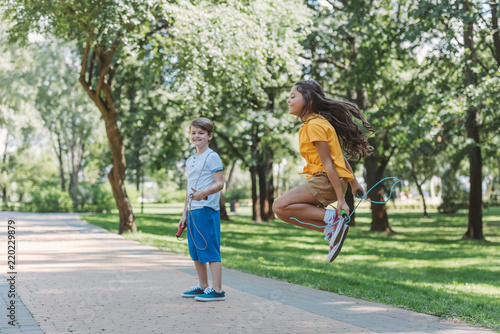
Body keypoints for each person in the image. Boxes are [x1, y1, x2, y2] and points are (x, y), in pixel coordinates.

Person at [273, 80, 373, 262]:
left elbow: (329, 164)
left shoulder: (314, 126)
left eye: (293, 96)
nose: (288, 100)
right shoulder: (317, 123)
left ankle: (333, 219)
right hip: (328, 180)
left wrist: (341, 201)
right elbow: (339, 157)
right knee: (283, 212)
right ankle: (330, 229)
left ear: (309, 101)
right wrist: (354, 183)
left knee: (279, 206)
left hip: (326, 180)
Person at [179, 117, 225, 301]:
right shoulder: (191, 159)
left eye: (201, 133)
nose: (196, 136)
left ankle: (218, 290)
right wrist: (184, 214)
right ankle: (203, 286)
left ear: (209, 136)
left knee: (210, 250)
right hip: (192, 211)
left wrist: (203, 193)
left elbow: (220, 183)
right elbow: (189, 189)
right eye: (193, 133)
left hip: (206, 209)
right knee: (196, 251)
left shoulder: (212, 156)